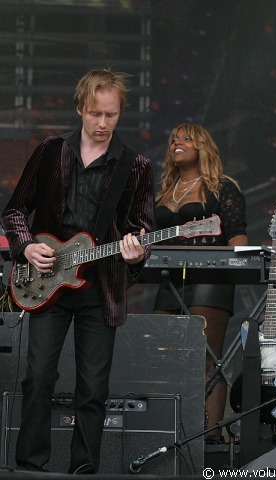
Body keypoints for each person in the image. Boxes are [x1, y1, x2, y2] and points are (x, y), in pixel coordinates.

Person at [1, 68, 154, 473]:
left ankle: (84, 471)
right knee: (38, 379)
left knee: (93, 390)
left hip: (100, 289)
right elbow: (15, 211)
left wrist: (137, 254)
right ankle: (29, 468)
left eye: (111, 115)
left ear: (120, 113)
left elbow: (143, 229)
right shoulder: (51, 151)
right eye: (95, 114)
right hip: (47, 281)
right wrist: (27, 246)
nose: (103, 124)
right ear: (79, 110)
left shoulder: (135, 166)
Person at [153, 123, 248, 443]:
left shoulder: (221, 187)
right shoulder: (164, 191)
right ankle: (168, 430)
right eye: (173, 139)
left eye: (186, 138)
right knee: (160, 352)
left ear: (202, 146)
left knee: (206, 357)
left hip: (212, 276)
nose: (176, 142)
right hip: (169, 279)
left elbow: (237, 238)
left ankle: (209, 435)